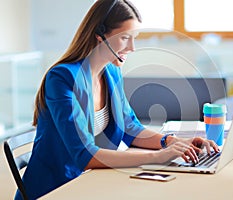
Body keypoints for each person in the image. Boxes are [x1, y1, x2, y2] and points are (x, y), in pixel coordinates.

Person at [16, 0, 219, 199]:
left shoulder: (111, 72)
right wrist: (157, 157)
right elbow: (84, 154)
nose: (132, 47)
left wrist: (171, 142)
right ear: (99, 36)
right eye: (125, 38)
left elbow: (131, 128)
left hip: (89, 182)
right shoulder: (62, 78)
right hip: (56, 190)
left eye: (135, 38)